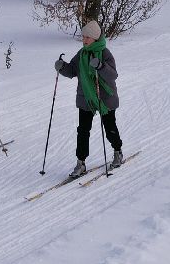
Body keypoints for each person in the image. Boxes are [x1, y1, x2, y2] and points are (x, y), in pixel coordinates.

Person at [53, 20, 124, 179]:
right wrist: (62, 66)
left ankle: (118, 152)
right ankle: (81, 162)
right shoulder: (82, 54)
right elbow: (72, 71)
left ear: (95, 38)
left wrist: (100, 66)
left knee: (109, 127)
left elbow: (113, 75)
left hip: (105, 97)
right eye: (83, 36)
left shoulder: (105, 53)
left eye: (87, 37)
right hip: (86, 97)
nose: (84, 40)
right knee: (83, 131)